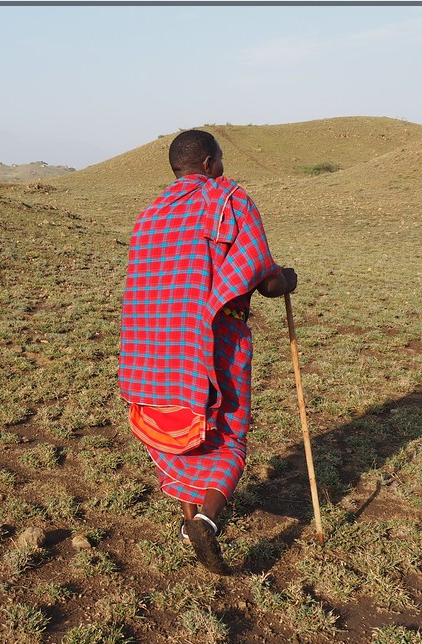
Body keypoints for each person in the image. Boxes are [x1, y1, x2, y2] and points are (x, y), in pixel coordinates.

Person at [119, 129, 297, 573]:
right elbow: (262, 276)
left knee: (180, 424)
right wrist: (287, 279)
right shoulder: (226, 199)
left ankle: (187, 522)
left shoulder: (150, 217)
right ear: (208, 163)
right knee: (229, 431)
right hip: (221, 338)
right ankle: (205, 519)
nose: (223, 170)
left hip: (158, 346)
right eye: (220, 161)